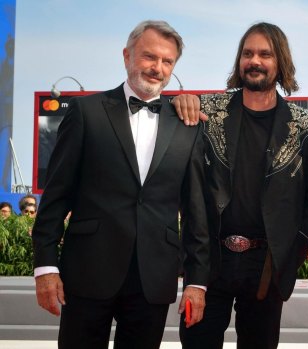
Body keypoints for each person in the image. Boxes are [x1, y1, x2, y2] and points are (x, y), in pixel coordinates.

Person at [31, 20, 209, 349]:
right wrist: (45, 267)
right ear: (126, 56)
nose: (157, 68)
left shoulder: (187, 124)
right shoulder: (86, 112)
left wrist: (198, 281)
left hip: (153, 278)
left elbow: (196, 212)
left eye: (167, 61)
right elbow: (56, 196)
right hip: (87, 271)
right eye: (149, 57)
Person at [174, 22, 308, 349]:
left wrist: (291, 252)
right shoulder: (207, 112)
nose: (254, 60)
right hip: (209, 264)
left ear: (280, 63)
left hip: (266, 269)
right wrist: (178, 100)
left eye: (264, 54)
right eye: (247, 53)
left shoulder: (304, 125)